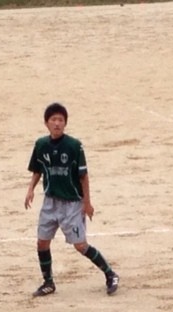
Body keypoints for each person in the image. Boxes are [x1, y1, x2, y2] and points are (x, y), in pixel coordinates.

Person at [24, 103, 119, 297]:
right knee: (42, 243)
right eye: (53, 120)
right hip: (50, 202)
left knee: (80, 245)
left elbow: (83, 176)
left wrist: (87, 202)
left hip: (72, 204)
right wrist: (30, 189)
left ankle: (110, 274)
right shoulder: (41, 145)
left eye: (61, 120)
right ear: (46, 123)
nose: (57, 124)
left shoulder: (74, 146)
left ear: (65, 123)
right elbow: (38, 169)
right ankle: (48, 282)